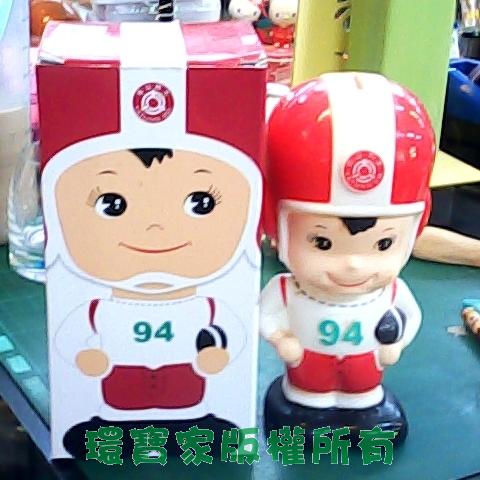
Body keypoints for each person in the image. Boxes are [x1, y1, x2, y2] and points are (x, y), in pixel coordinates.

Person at [261, 71, 436, 441]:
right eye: (322, 243)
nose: (354, 264)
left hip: (366, 369)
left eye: (383, 244)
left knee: (363, 391)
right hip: (306, 368)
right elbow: (263, 315)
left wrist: (396, 342)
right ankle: (307, 403)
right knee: (309, 393)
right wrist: (279, 338)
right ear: (276, 224)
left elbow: (412, 316)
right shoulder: (286, 290)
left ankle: (364, 405)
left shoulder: (391, 292)